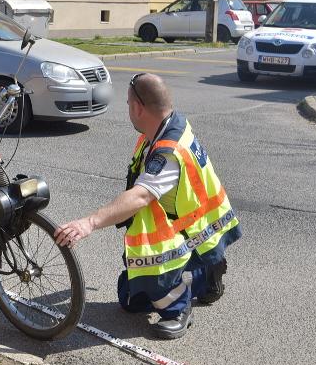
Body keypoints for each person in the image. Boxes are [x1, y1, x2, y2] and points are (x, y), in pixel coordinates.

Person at [55, 73, 241, 339]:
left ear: (137, 107)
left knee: (154, 277)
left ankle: (179, 309)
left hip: (187, 233)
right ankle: (205, 272)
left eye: (128, 102)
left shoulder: (168, 151)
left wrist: (88, 223)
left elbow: (141, 196)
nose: (127, 107)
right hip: (198, 227)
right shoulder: (166, 127)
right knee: (130, 301)